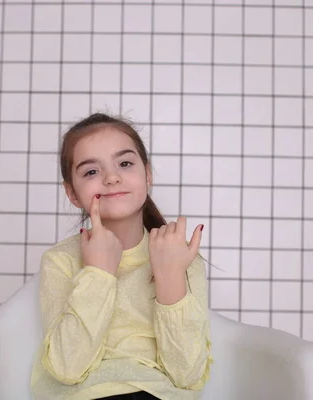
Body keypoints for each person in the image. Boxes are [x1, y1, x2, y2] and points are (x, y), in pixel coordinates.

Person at [30, 113, 213, 400]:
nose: (112, 177)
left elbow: (186, 375)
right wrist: (98, 274)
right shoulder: (61, 261)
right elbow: (67, 368)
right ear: (73, 193)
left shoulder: (180, 256)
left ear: (147, 175)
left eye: (125, 163)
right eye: (91, 171)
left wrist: (169, 278)